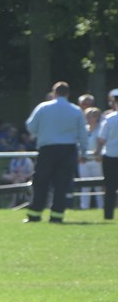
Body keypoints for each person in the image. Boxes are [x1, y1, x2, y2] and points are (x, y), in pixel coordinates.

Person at [23, 81, 89, 224]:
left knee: (41, 182)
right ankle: (57, 215)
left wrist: (42, 133)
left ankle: (35, 214)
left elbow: (31, 127)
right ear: (68, 93)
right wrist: (84, 152)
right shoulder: (76, 110)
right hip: (68, 149)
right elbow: (83, 134)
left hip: (47, 149)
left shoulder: (43, 107)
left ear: (54, 93)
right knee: (62, 184)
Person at [94, 90, 118, 220]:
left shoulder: (109, 119)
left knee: (110, 187)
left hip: (110, 155)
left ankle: (108, 215)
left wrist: (97, 151)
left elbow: (102, 139)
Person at [78, 106, 103, 209]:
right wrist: (79, 156)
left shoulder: (101, 129)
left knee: (99, 186)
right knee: (84, 186)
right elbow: (78, 144)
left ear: (97, 117)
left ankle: (101, 207)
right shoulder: (83, 129)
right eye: (87, 116)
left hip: (97, 160)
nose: (88, 118)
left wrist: (100, 154)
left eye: (91, 116)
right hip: (84, 161)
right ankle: (84, 207)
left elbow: (103, 143)